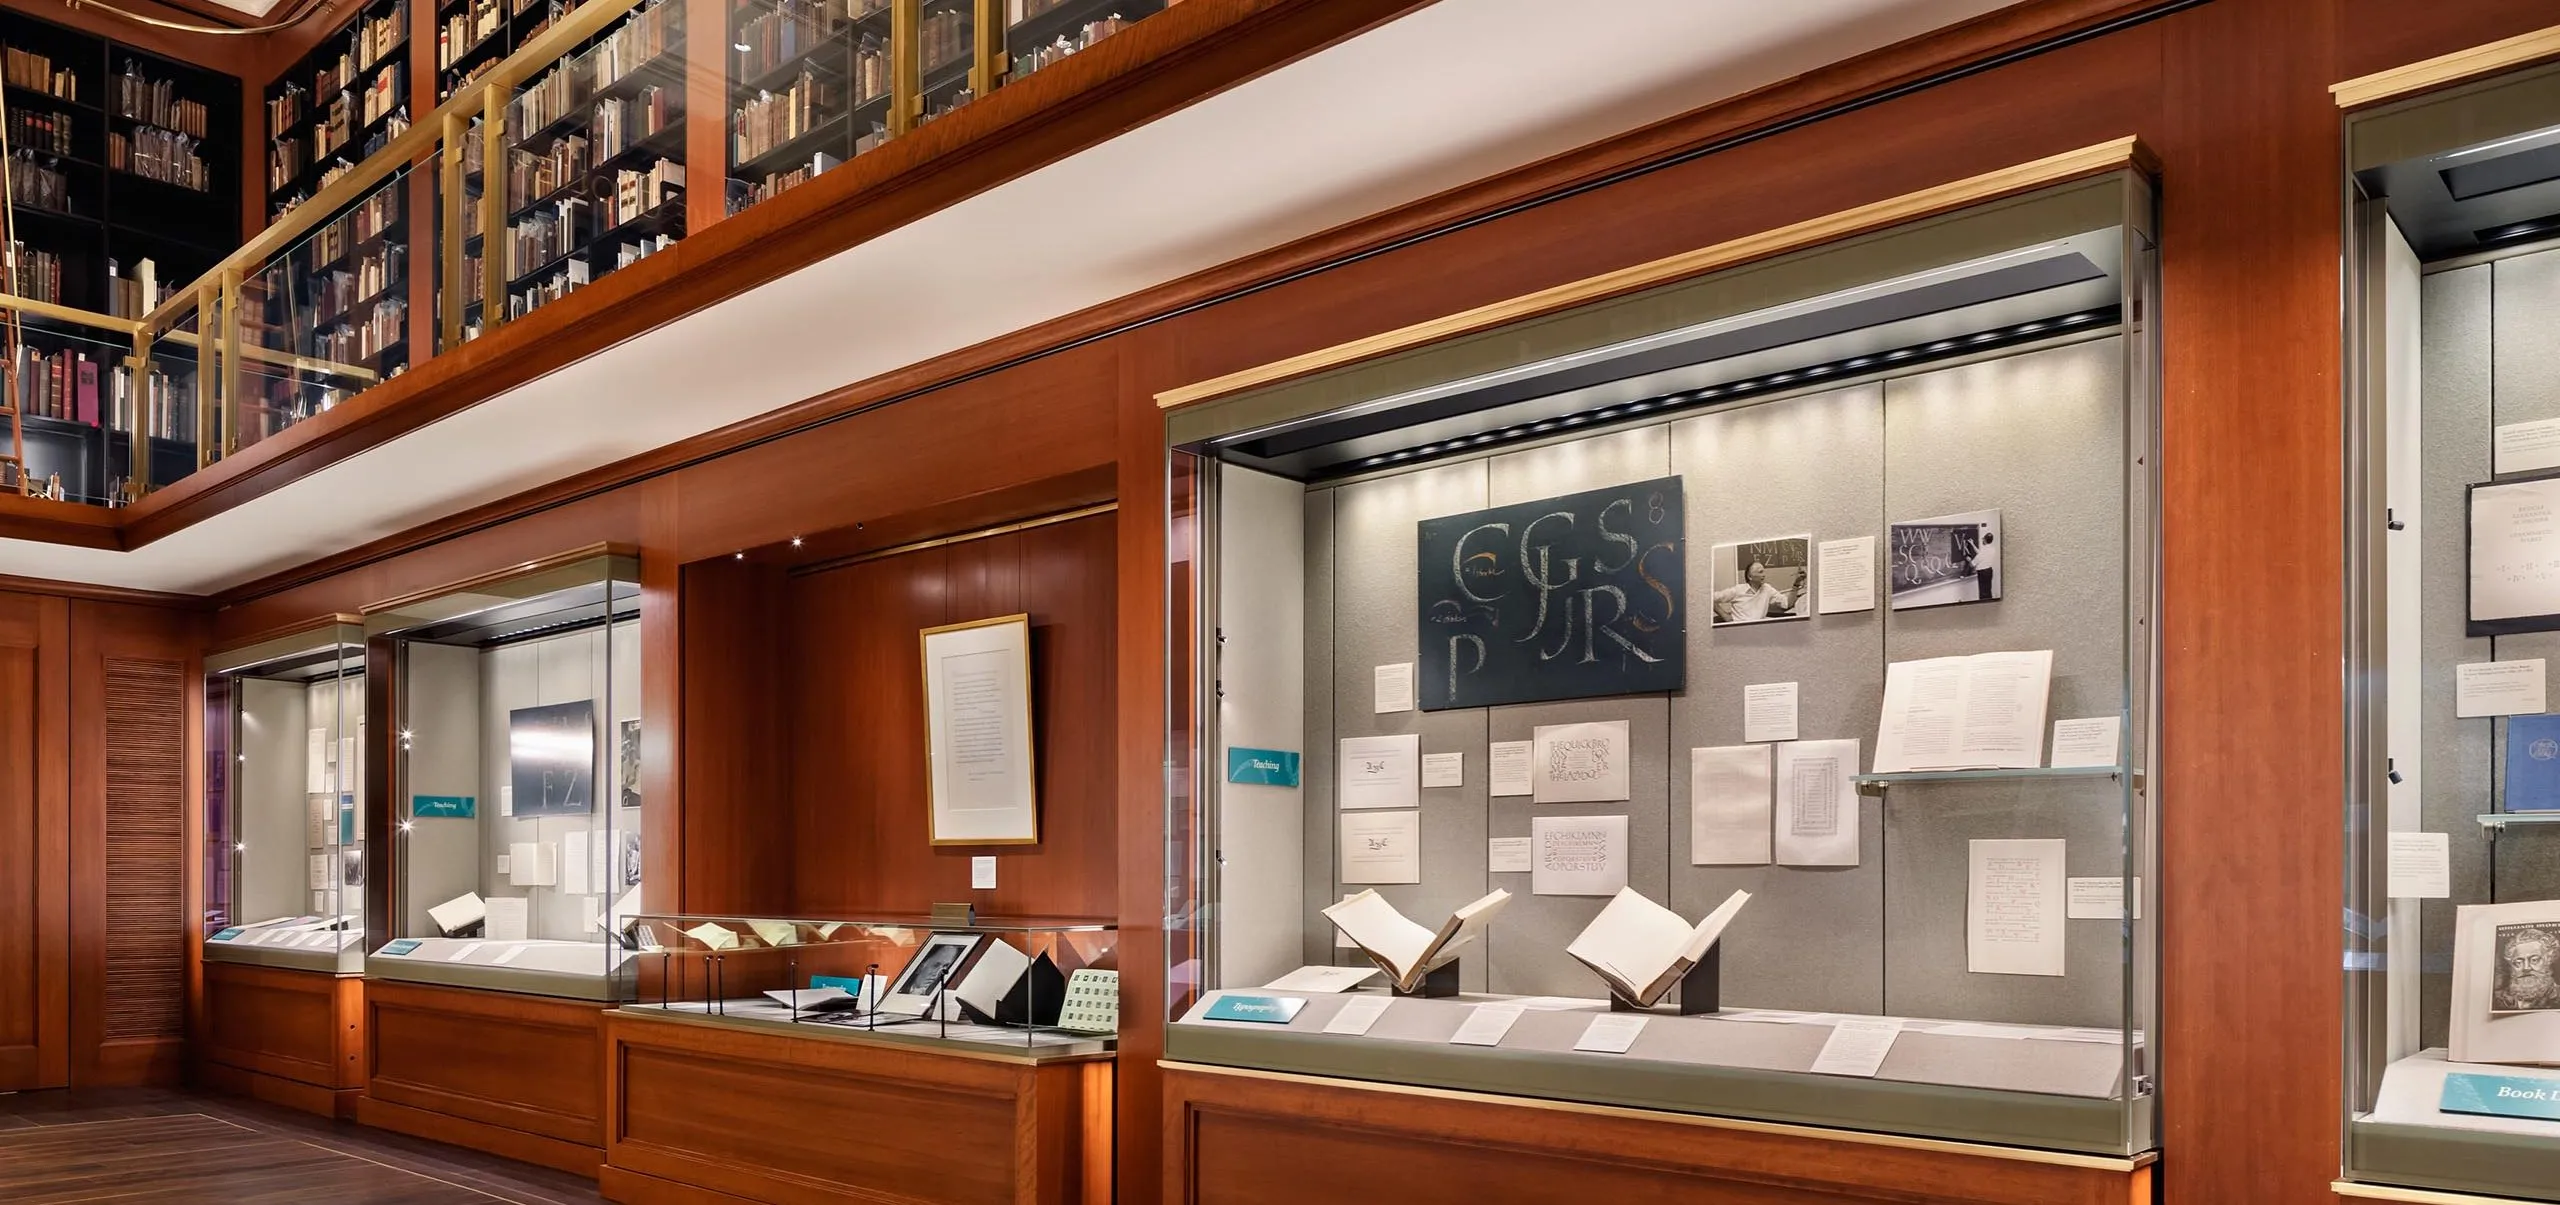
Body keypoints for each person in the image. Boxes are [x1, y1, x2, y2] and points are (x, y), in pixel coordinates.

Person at [1713, 558, 1805, 623]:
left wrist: (1796, 584)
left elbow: (1787, 604)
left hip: (1760, 629)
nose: (1764, 575)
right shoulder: (1738, 590)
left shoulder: (1767, 588)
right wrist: (1725, 616)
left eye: (1763, 571)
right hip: (1740, 631)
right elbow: (1710, 598)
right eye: (1760, 572)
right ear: (1750, 577)